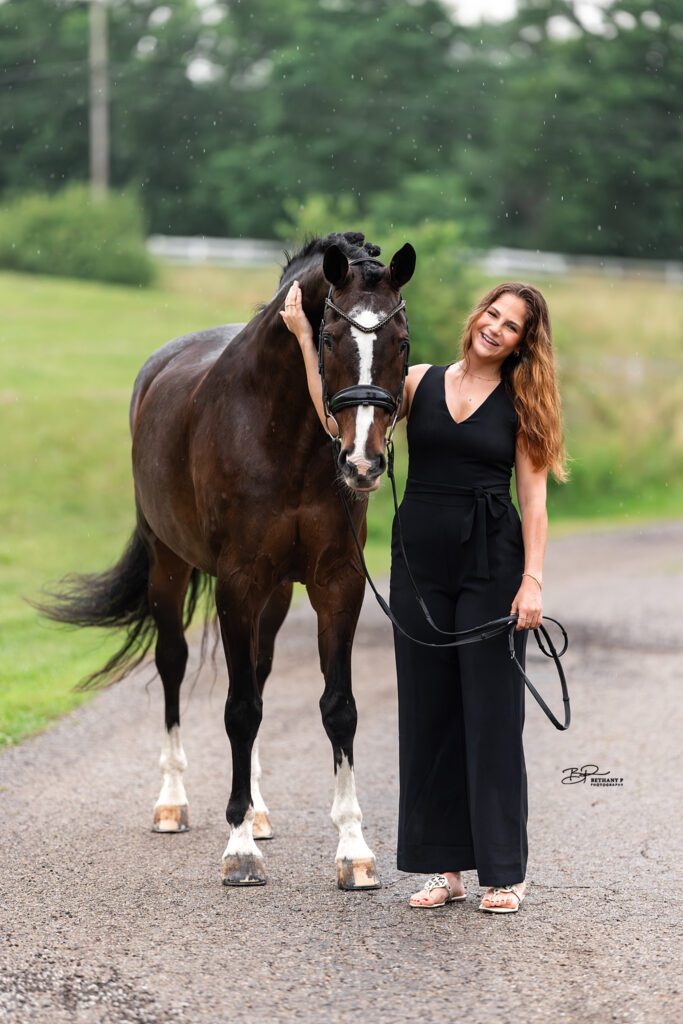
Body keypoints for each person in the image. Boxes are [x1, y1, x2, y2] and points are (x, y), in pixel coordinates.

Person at [281, 276, 568, 915]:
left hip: (492, 562)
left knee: (492, 715)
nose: (496, 327)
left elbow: (536, 501)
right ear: (477, 315)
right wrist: (305, 338)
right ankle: (445, 870)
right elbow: (337, 417)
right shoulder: (415, 381)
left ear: (524, 342)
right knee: (428, 713)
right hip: (418, 561)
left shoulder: (523, 403)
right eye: (492, 313)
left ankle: (503, 872)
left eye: (512, 324)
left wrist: (533, 579)